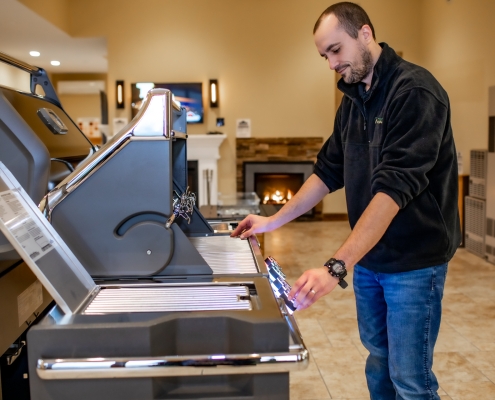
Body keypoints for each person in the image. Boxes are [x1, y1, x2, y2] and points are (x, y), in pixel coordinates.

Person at [230, 2, 460, 399]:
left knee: (410, 377)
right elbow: (327, 171)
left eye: (335, 50)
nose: (331, 63)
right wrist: (271, 220)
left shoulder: (416, 92)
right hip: (371, 260)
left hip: (414, 262)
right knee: (378, 361)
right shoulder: (353, 98)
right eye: (324, 55)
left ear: (365, 34)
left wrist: (335, 266)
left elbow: (393, 191)